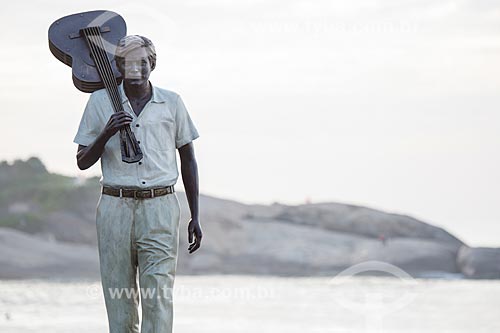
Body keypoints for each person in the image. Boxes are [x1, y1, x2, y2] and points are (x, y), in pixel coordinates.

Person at [73, 35, 202, 333]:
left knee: (157, 296)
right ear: (119, 66)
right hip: (114, 207)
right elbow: (82, 161)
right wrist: (106, 132)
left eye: (143, 61)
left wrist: (195, 215)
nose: (137, 68)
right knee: (120, 300)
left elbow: (188, 159)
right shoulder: (100, 101)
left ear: (152, 64)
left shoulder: (172, 102)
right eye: (130, 62)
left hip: (161, 207)